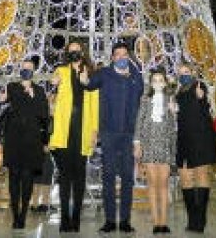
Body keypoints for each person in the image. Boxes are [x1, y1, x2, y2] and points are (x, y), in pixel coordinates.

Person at [86, 41, 144, 234]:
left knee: (128, 177)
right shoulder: (104, 74)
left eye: (124, 54)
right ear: (112, 57)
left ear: (128, 56)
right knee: (109, 176)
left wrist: (138, 138)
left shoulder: (136, 77)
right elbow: (88, 85)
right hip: (109, 133)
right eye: (117, 54)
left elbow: (139, 106)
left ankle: (125, 220)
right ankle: (110, 220)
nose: (120, 57)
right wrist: (83, 75)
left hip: (129, 134)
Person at [48, 40, 99, 233]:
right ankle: (64, 219)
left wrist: (95, 130)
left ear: (83, 52)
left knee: (79, 176)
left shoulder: (91, 73)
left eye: (77, 51)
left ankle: (76, 217)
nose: (74, 54)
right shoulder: (60, 71)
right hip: (63, 129)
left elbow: (95, 104)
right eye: (71, 52)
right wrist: (53, 87)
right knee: (64, 176)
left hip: (82, 129)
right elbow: (52, 99)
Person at [2, 58, 50, 231]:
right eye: (24, 68)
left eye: (29, 69)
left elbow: (44, 114)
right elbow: (5, 101)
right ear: (19, 69)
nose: (26, 71)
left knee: (27, 177)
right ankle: (15, 212)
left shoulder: (39, 91)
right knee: (14, 176)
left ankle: (23, 213)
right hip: (14, 139)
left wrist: (33, 96)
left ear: (34, 71)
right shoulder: (12, 87)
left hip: (32, 141)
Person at [174, 62, 216, 234]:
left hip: (201, 137)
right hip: (184, 138)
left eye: (186, 72)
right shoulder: (178, 92)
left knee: (201, 175)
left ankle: (200, 218)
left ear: (193, 72)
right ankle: (192, 217)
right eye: (180, 72)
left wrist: (201, 97)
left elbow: (205, 104)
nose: (183, 75)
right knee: (185, 177)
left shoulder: (200, 86)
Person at [134, 70, 178, 233]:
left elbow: (174, 127)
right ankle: (155, 222)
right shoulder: (145, 99)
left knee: (164, 184)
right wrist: (137, 144)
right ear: (150, 83)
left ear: (165, 82)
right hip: (149, 143)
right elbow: (139, 120)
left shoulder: (171, 99)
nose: (158, 82)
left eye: (161, 80)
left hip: (165, 144)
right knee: (152, 183)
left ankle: (164, 222)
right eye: (155, 80)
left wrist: (174, 112)